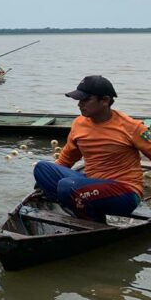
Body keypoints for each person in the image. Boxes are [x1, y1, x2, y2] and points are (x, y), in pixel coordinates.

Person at [33, 76, 151, 221]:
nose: (79, 105)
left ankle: (94, 222)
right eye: (79, 100)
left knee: (68, 186)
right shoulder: (79, 124)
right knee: (42, 168)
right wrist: (44, 181)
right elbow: (67, 158)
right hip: (92, 185)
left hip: (124, 192)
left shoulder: (131, 127)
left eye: (85, 100)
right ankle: (76, 205)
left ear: (105, 101)